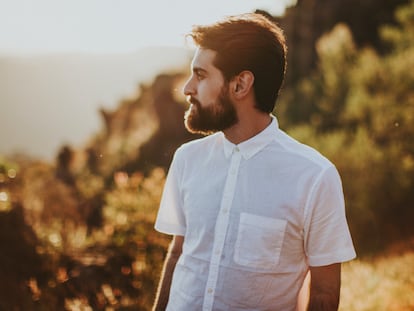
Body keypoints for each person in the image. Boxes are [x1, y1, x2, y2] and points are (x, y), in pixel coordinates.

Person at [152, 12, 356, 311]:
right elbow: (178, 253)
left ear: (240, 85)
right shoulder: (187, 160)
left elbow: (324, 291)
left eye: (201, 75)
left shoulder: (314, 176)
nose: (187, 88)